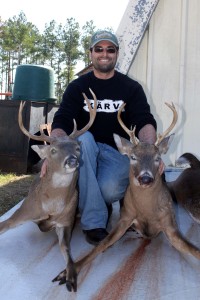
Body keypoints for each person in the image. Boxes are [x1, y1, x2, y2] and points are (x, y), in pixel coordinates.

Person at [41, 30, 158, 246]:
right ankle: (94, 223)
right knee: (84, 139)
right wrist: (52, 151)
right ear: (91, 53)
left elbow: (144, 120)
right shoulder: (78, 87)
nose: (104, 54)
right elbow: (62, 120)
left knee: (108, 190)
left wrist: (150, 150)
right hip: (86, 151)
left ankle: (103, 199)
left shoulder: (131, 88)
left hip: (116, 153)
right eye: (99, 49)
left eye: (110, 49)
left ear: (116, 54)